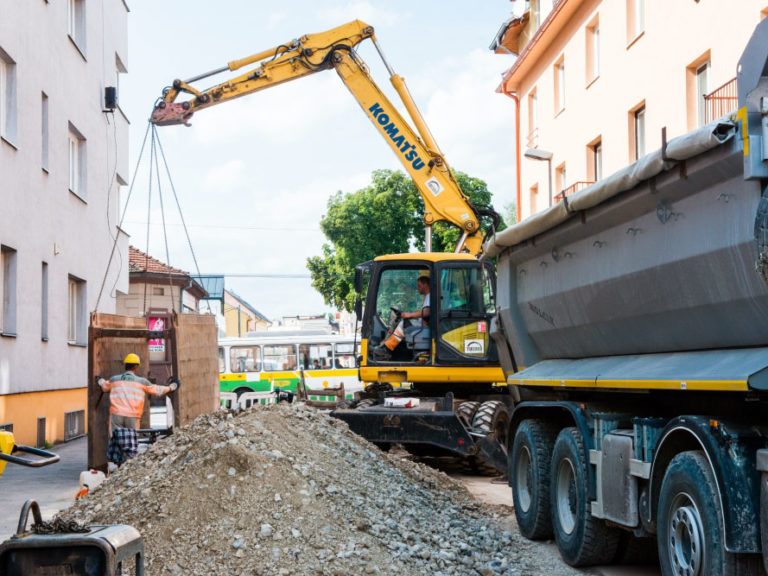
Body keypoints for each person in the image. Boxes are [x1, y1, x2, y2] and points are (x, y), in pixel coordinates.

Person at [97, 353, 178, 432]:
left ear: (125, 366)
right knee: (131, 441)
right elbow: (158, 391)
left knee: (115, 440)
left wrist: (100, 380)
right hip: (133, 416)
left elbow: (104, 387)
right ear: (136, 368)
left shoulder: (114, 379)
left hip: (116, 415)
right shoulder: (142, 382)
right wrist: (172, 386)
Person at [373, 270, 430, 360]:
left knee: (403, 324)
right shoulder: (427, 297)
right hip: (422, 326)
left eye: (419, 286)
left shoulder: (430, 296)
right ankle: (387, 345)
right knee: (403, 323)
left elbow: (427, 312)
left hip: (425, 327)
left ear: (425, 284)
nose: (417, 288)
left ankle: (387, 348)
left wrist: (409, 315)